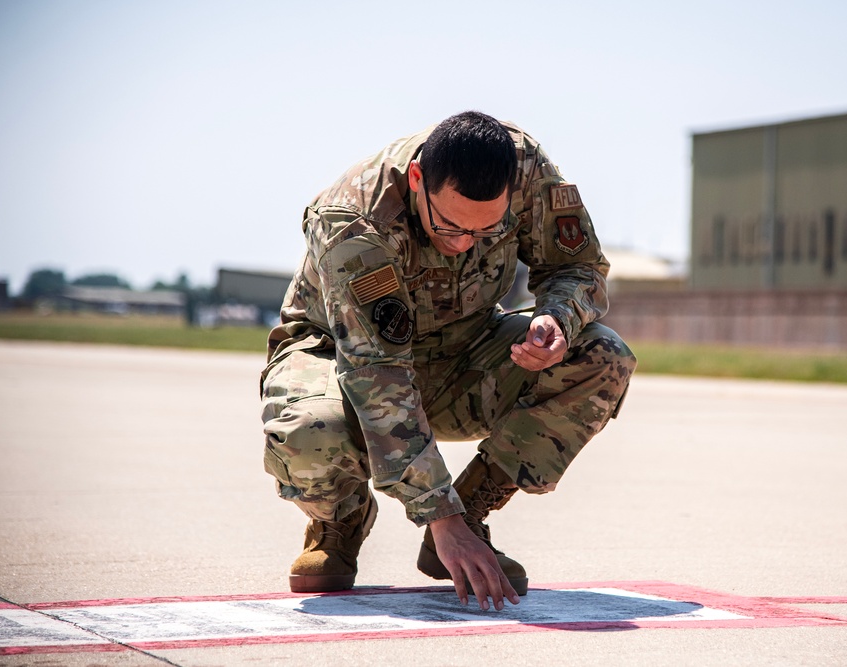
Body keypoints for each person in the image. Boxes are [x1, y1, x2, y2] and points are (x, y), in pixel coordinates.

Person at [260, 111, 636, 612]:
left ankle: (473, 512)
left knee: (601, 355)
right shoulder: (354, 218)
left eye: (485, 233)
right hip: (341, 358)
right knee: (308, 431)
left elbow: (577, 266)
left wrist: (556, 321)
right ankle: (339, 518)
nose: (462, 242)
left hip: (463, 354)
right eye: (449, 226)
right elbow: (376, 372)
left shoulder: (526, 170)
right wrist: (441, 518)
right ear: (418, 180)